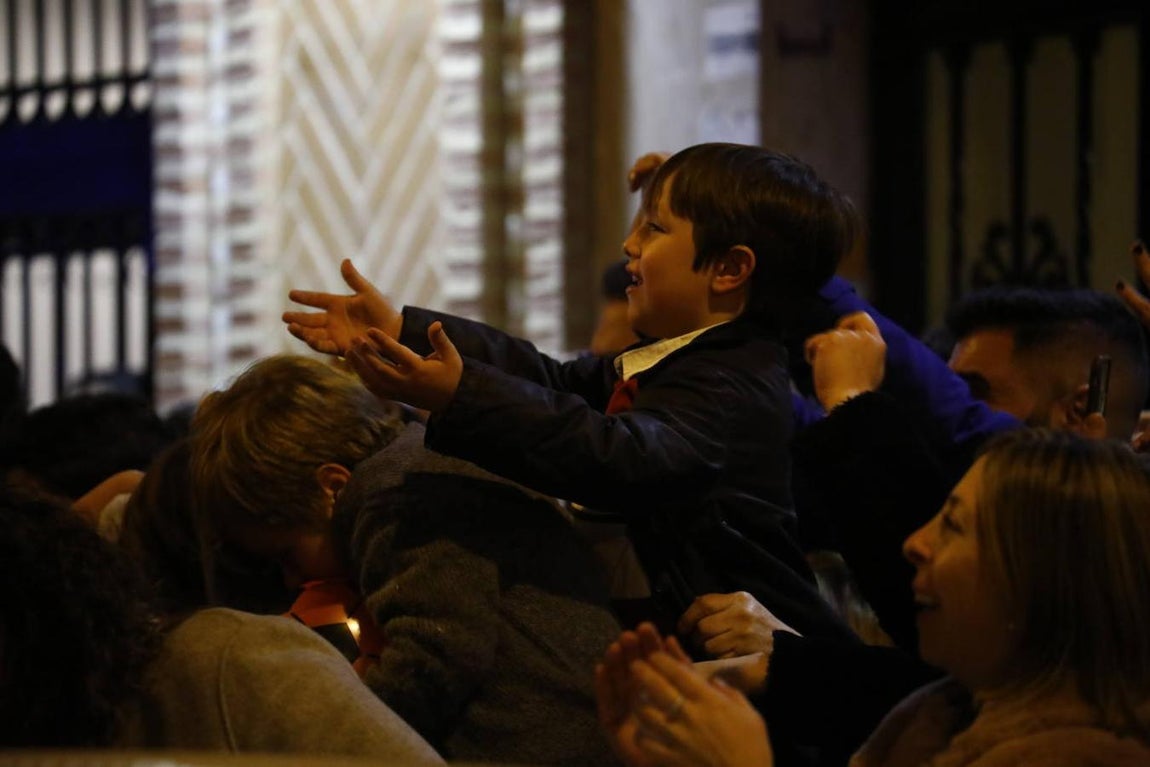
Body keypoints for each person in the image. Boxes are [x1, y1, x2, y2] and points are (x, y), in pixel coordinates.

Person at [283, 142, 861, 646]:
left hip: (744, 666)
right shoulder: (685, 359)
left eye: (654, 228)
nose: (629, 244)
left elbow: (616, 455)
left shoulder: (731, 383)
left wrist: (462, 393)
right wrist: (405, 332)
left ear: (729, 269)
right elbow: (553, 382)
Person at [597, 429, 1150, 767]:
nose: (916, 543)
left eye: (955, 526)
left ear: (1039, 581)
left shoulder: (1084, 756)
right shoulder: (936, 714)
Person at [188, 354, 621, 765]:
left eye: (289, 555)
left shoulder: (397, 501)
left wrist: (331, 725)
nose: (291, 579)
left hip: (534, 744)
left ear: (331, 488)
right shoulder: (419, 460)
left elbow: (433, 658)